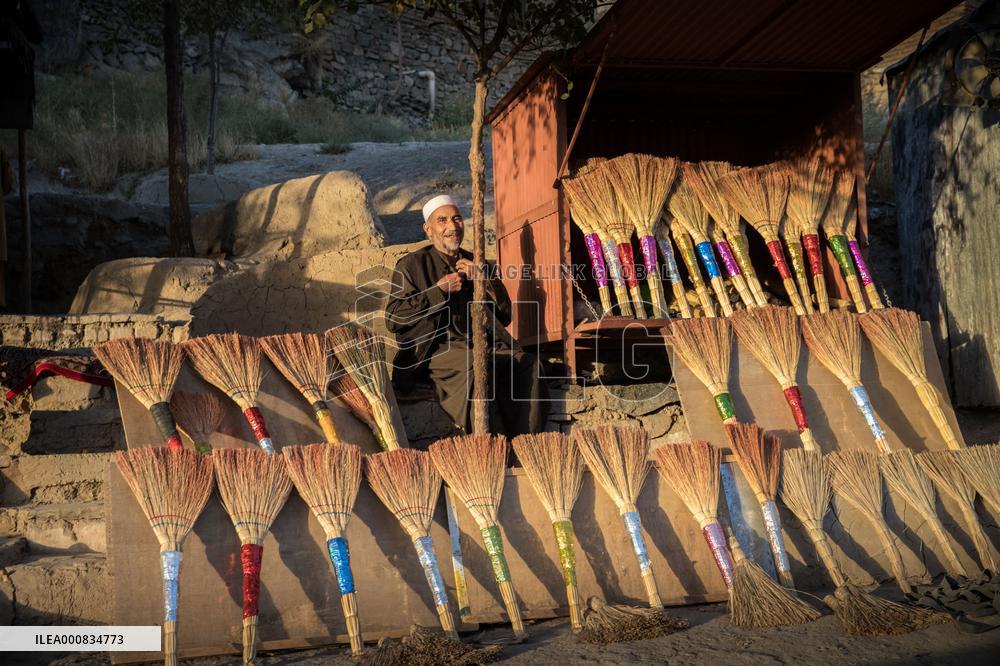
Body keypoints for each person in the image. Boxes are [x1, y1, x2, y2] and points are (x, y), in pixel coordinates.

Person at [385, 194, 546, 439]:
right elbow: (394, 318)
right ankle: (490, 444)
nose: (452, 227)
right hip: (436, 352)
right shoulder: (411, 265)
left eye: (457, 219)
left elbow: (505, 316)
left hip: (485, 346)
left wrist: (484, 282)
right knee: (476, 363)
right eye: (442, 221)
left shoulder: (477, 264)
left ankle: (527, 444)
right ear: (428, 230)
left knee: (528, 364)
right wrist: (438, 290)